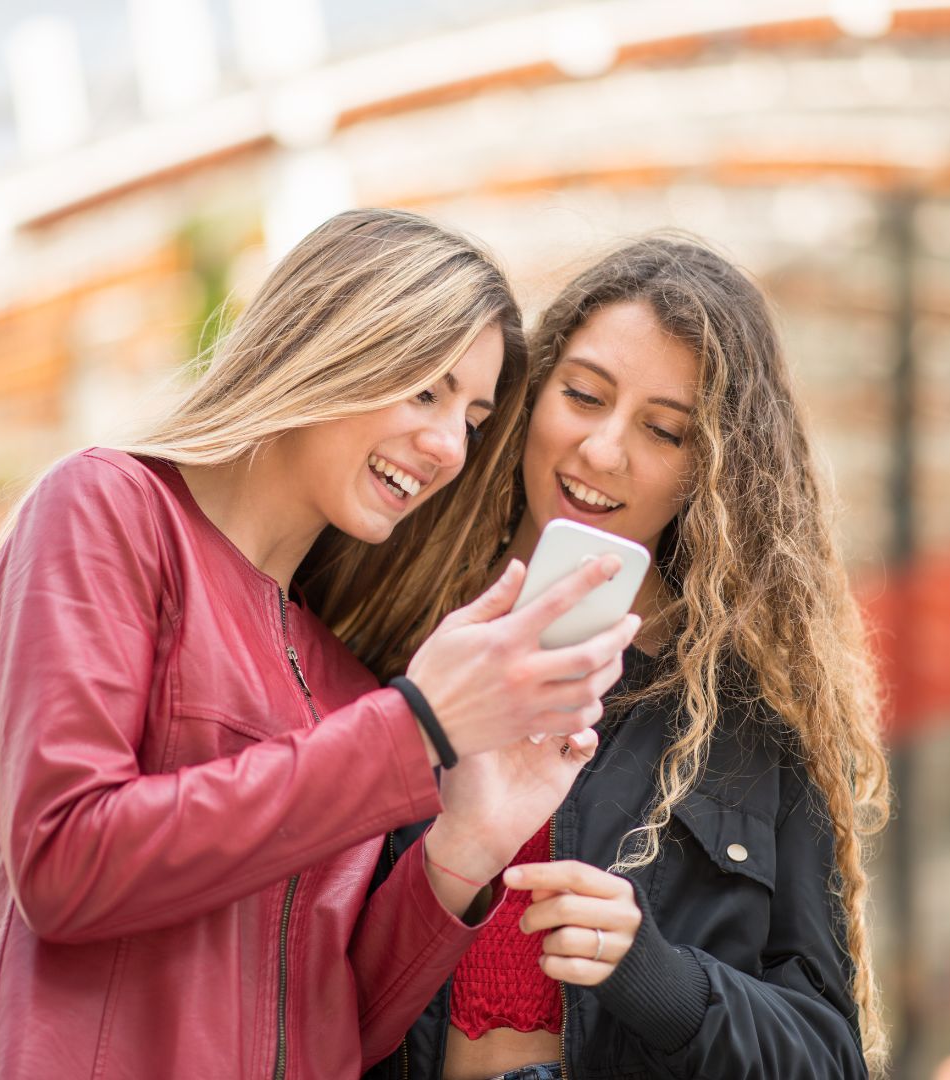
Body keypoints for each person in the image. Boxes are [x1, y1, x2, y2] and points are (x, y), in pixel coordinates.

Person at [0, 209, 640, 1080]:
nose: (447, 448)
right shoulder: (106, 511)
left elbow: (332, 1023)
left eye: (471, 418)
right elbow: (66, 864)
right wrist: (416, 725)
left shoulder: (346, 680)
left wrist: (467, 844)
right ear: (332, 341)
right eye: (426, 389)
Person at [368, 235, 891, 1080]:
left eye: (665, 431)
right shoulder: (399, 636)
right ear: (532, 395)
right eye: (582, 395)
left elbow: (829, 1058)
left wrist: (663, 980)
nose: (604, 451)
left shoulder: (749, 725)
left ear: (713, 472)